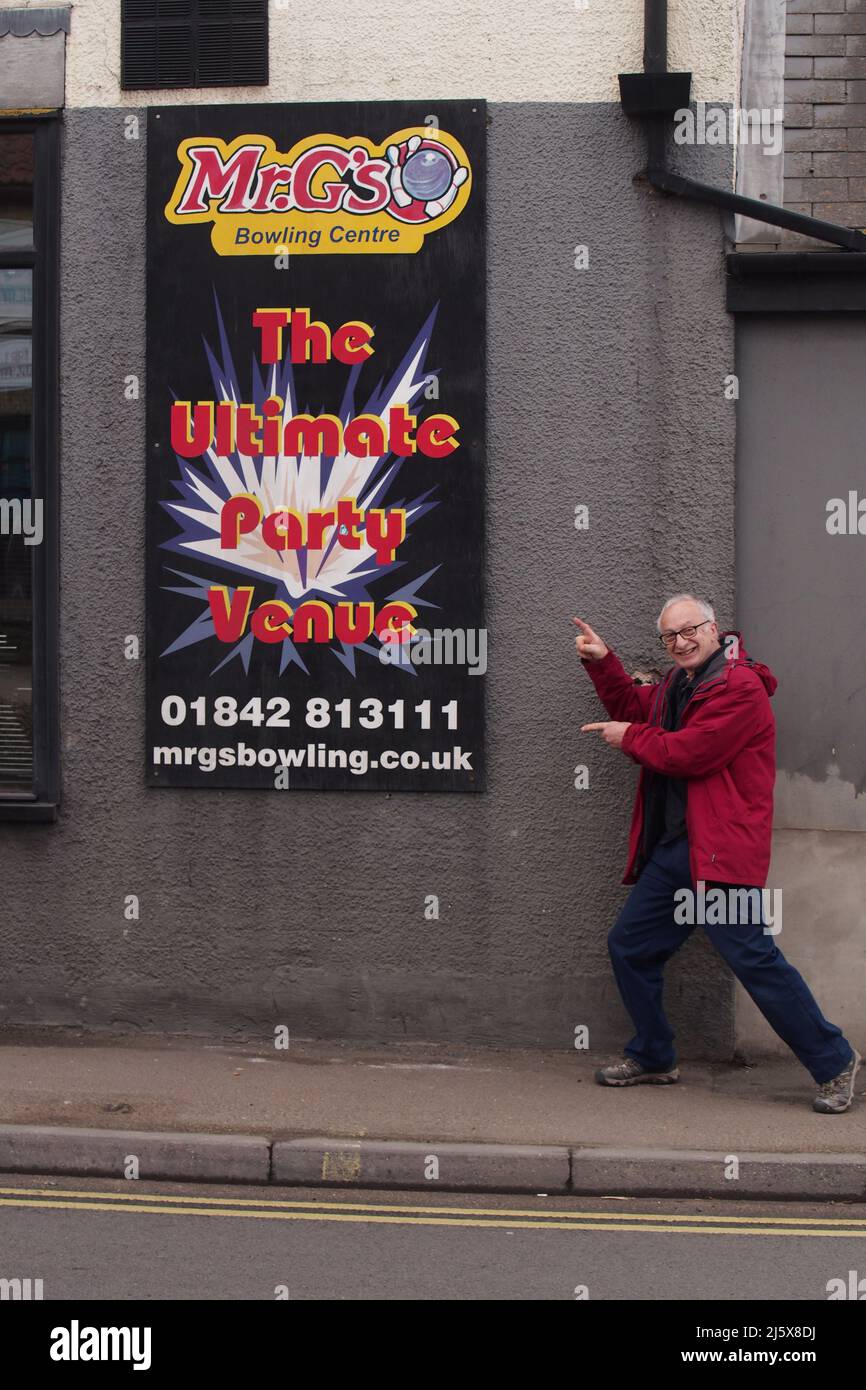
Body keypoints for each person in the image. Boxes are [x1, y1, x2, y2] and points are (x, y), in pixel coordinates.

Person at [574, 594, 860, 1114]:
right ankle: (656, 1055)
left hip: (721, 851)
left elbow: (690, 753)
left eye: (689, 631)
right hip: (679, 851)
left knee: (751, 956)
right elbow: (638, 710)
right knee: (631, 947)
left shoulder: (738, 687)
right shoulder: (681, 683)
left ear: (714, 629)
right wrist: (605, 665)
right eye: (670, 637)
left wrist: (629, 738)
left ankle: (835, 1060)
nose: (680, 643)